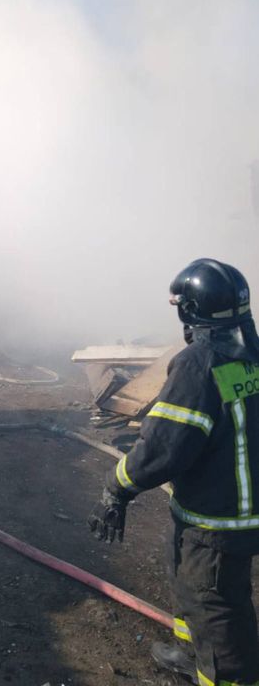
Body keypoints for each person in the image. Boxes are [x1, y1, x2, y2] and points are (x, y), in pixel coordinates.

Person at [88, 258, 259, 686]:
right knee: (190, 582)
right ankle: (192, 656)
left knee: (214, 606)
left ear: (189, 310)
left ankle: (227, 678)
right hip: (243, 508)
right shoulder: (252, 353)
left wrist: (116, 488)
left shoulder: (199, 365)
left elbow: (164, 448)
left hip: (216, 520)